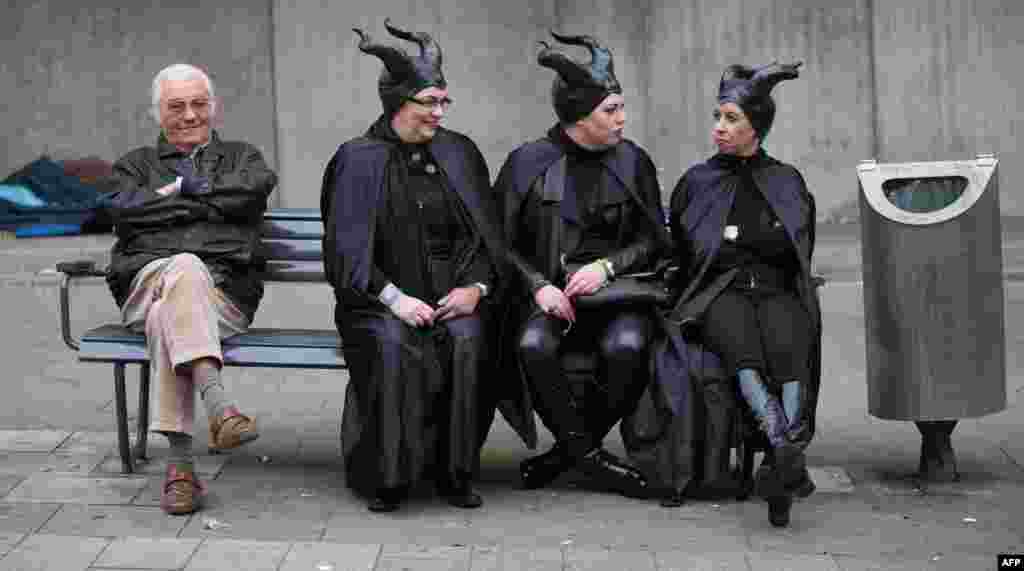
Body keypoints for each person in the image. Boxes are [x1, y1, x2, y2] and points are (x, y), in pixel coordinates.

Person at [320, 21, 502, 513]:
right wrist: (397, 301)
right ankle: (388, 478)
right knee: (393, 345)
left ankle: (456, 474)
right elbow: (346, 255)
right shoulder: (359, 160)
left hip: (452, 295)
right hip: (377, 301)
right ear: (400, 103)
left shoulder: (459, 153)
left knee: (468, 339)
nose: (440, 113)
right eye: (430, 103)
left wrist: (477, 288)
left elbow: (488, 236)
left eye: (445, 102)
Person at [495, 32, 670, 498]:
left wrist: (608, 268)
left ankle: (570, 454)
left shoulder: (634, 161)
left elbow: (656, 240)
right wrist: (537, 286)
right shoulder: (526, 163)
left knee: (628, 348)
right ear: (578, 116)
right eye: (610, 110)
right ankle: (592, 457)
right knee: (533, 346)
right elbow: (498, 244)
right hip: (553, 300)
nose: (622, 119)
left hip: (620, 297)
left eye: (621, 107)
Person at [101, 63, 277, 515]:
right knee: (183, 269)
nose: (190, 115)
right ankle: (219, 405)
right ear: (157, 113)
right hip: (145, 283)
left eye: (199, 104)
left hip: (225, 297)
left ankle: (180, 469)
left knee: (170, 313)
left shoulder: (244, 157)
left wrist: (173, 196)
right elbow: (122, 209)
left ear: (214, 107)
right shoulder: (134, 164)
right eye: (176, 106)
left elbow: (252, 192)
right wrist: (195, 197)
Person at [667, 61, 821, 527]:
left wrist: (739, 239)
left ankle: (780, 456)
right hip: (720, 293)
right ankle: (784, 451)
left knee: (790, 349)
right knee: (745, 354)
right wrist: (746, 242)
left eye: (731, 119)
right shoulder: (698, 181)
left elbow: (796, 247)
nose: (720, 128)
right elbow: (688, 246)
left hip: (777, 292)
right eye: (718, 117)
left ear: (757, 126)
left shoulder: (787, 179)